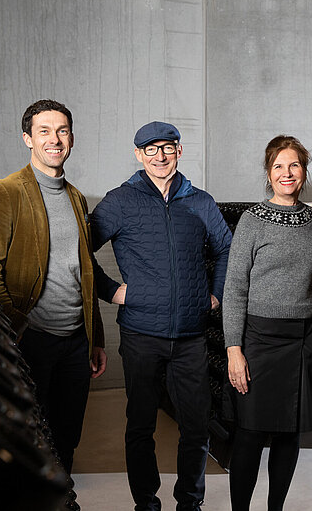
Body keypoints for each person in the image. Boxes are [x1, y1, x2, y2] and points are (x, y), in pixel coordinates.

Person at [91, 121, 232, 511]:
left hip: (191, 337)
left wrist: (216, 295)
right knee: (141, 426)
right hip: (141, 334)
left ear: (179, 151)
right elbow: (80, 250)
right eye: (150, 149)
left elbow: (226, 249)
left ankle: (190, 502)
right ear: (138, 155)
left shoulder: (200, 201)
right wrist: (112, 291)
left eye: (167, 147)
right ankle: (146, 504)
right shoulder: (120, 201)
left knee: (196, 427)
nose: (160, 156)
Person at [0, 99, 107, 482]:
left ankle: (63, 499)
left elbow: (84, 272)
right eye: (44, 131)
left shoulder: (76, 197)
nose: (54, 139)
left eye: (62, 131)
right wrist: (18, 325)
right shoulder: (5, 192)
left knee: (67, 438)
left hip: (75, 341)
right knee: (30, 441)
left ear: (72, 139)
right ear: (27, 138)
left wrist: (95, 337)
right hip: (31, 339)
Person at [223, 135, 312, 511]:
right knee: (249, 434)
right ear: (268, 173)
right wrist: (234, 350)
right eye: (278, 166)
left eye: (294, 165)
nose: (287, 173)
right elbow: (234, 288)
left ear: (304, 171)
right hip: (259, 340)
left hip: (303, 339)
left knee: (289, 434)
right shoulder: (252, 221)